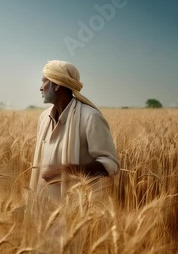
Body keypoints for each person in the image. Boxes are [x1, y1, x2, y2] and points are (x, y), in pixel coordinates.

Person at [29, 60, 120, 201]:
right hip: (44, 207)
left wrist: (70, 171)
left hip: (78, 209)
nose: (41, 88)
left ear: (57, 84)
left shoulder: (90, 117)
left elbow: (111, 164)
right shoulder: (44, 118)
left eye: (44, 82)